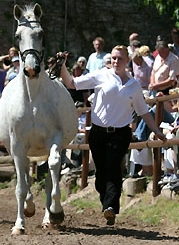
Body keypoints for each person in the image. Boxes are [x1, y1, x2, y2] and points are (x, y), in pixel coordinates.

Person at [58, 45, 166, 226]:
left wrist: (156, 130)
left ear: (127, 61)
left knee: (114, 167)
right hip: (98, 132)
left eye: (120, 59)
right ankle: (106, 202)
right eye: (113, 58)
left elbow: (143, 111)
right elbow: (72, 83)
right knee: (101, 173)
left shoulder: (134, 85)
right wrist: (62, 65)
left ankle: (111, 207)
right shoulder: (102, 75)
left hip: (121, 133)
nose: (116, 62)